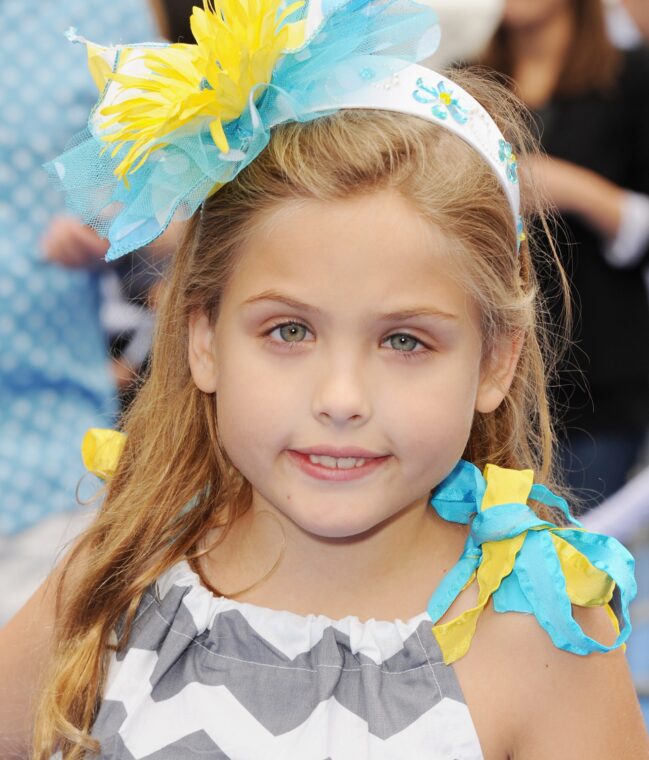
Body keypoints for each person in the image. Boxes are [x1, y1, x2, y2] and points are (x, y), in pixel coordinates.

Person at [2, 1, 648, 757]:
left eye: (404, 341)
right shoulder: (112, 577)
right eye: (289, 331)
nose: (340, 398)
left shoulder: (546, 639)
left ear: (495, 360)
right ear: (203, 339)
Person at [480, 0, 649, 506]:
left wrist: (573, 189)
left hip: (598, 388)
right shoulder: (468, 83)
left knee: (577, 563)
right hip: (492, 385)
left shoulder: (631, 79)